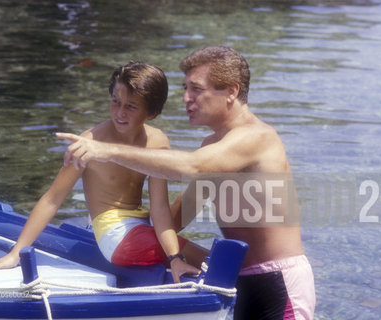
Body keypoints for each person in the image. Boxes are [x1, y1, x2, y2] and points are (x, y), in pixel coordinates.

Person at [56, 46, 316, 319]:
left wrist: (107, 150)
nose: (185, 99)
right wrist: (113, 226)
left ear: (231, 91)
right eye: (185, 88)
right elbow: (179, 214)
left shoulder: (257, 137)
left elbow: (191, 166)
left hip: (279, 283)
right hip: (241, 281)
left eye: (196, 89)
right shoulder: (214, 146)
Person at [0, 61, 202, 283]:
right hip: (114, 236)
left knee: (201, 188)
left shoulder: (157, 141)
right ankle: (228, 277)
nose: (120, 112)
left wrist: (174, 256)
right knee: (202, 255)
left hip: (142, 222)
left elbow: (159, 206)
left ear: (152, 112)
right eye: (116, 102)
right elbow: (53, 198)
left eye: (131, 106)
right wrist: (16, 253)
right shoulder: (89, 143)